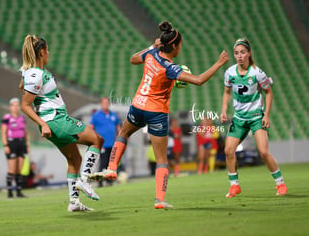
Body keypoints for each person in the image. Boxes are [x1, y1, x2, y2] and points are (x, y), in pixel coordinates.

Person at [91, 21, 229, 209]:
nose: (181, 47)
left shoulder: (151, 53)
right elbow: (198, 80)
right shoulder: (171, 68)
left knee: (123, 134)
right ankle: (159, 200)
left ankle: (112, 168)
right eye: (180, 45)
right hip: (156, 113)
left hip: (138, 106)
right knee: (162, 159)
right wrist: (219, 63)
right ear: (174, 46)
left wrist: (151, 46)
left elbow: (132, 59)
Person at [19, 35, 104, 212]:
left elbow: (22, 85)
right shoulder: (36, 74)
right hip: (55, 120)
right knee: (97, 140)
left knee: (74, 158)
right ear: (42, 52)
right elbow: (24, 105)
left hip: (54, 121)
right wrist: (43, 124)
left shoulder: (32, 72)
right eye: (47, 50)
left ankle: (74, 202)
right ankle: (85, 180)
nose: (48, 53)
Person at [220, 38, 287, 198]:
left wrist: (267, 115)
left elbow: (269, 93)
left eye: (243, 52)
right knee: (228, 150)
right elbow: (227, 92)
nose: (239, 56)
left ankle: (280, 183)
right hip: (239, 118)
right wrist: (223, 110)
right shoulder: (229, 72)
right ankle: (234, 186)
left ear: (249, 53)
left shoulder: (257, 72)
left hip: (257, 116)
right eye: (236, 53)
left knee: (263, 152)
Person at [1, 97, 30, 198]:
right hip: (11, 144)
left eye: (18, 105)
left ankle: (18, 191)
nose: (16, 107)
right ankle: (9, 191)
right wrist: (6, 145)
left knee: (19, 169)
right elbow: (3, 132)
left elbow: (25, 132)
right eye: (14, 105)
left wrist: (27, 144)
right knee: (12, 170)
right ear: (10, 107)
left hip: (21, 144)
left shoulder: (22, 118)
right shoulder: (7, 118)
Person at [90, 97, 121, 187]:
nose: (106, 104)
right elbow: (91, 127)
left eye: (107, 103)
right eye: (104, 103)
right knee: (103, 162)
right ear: (101, 104)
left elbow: (118, 127)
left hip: (112, 143)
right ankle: (100, 181)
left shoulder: (113, 114)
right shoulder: (96, 115)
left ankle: (109, 180)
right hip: (102, 143)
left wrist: (120, 138)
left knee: (110, 163)